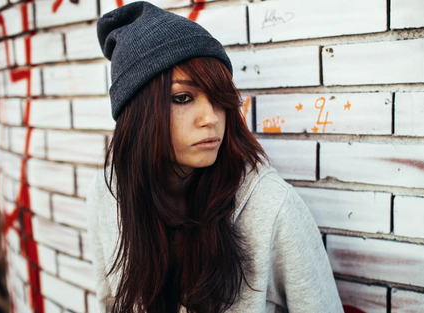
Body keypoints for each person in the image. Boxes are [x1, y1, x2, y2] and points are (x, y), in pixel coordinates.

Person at [87, 2, 343, 312]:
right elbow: (109, 303)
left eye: (219, 99)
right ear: (138, 114)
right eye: (183, 98)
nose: (210, 118)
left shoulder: (271, 207)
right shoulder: (108, 194)